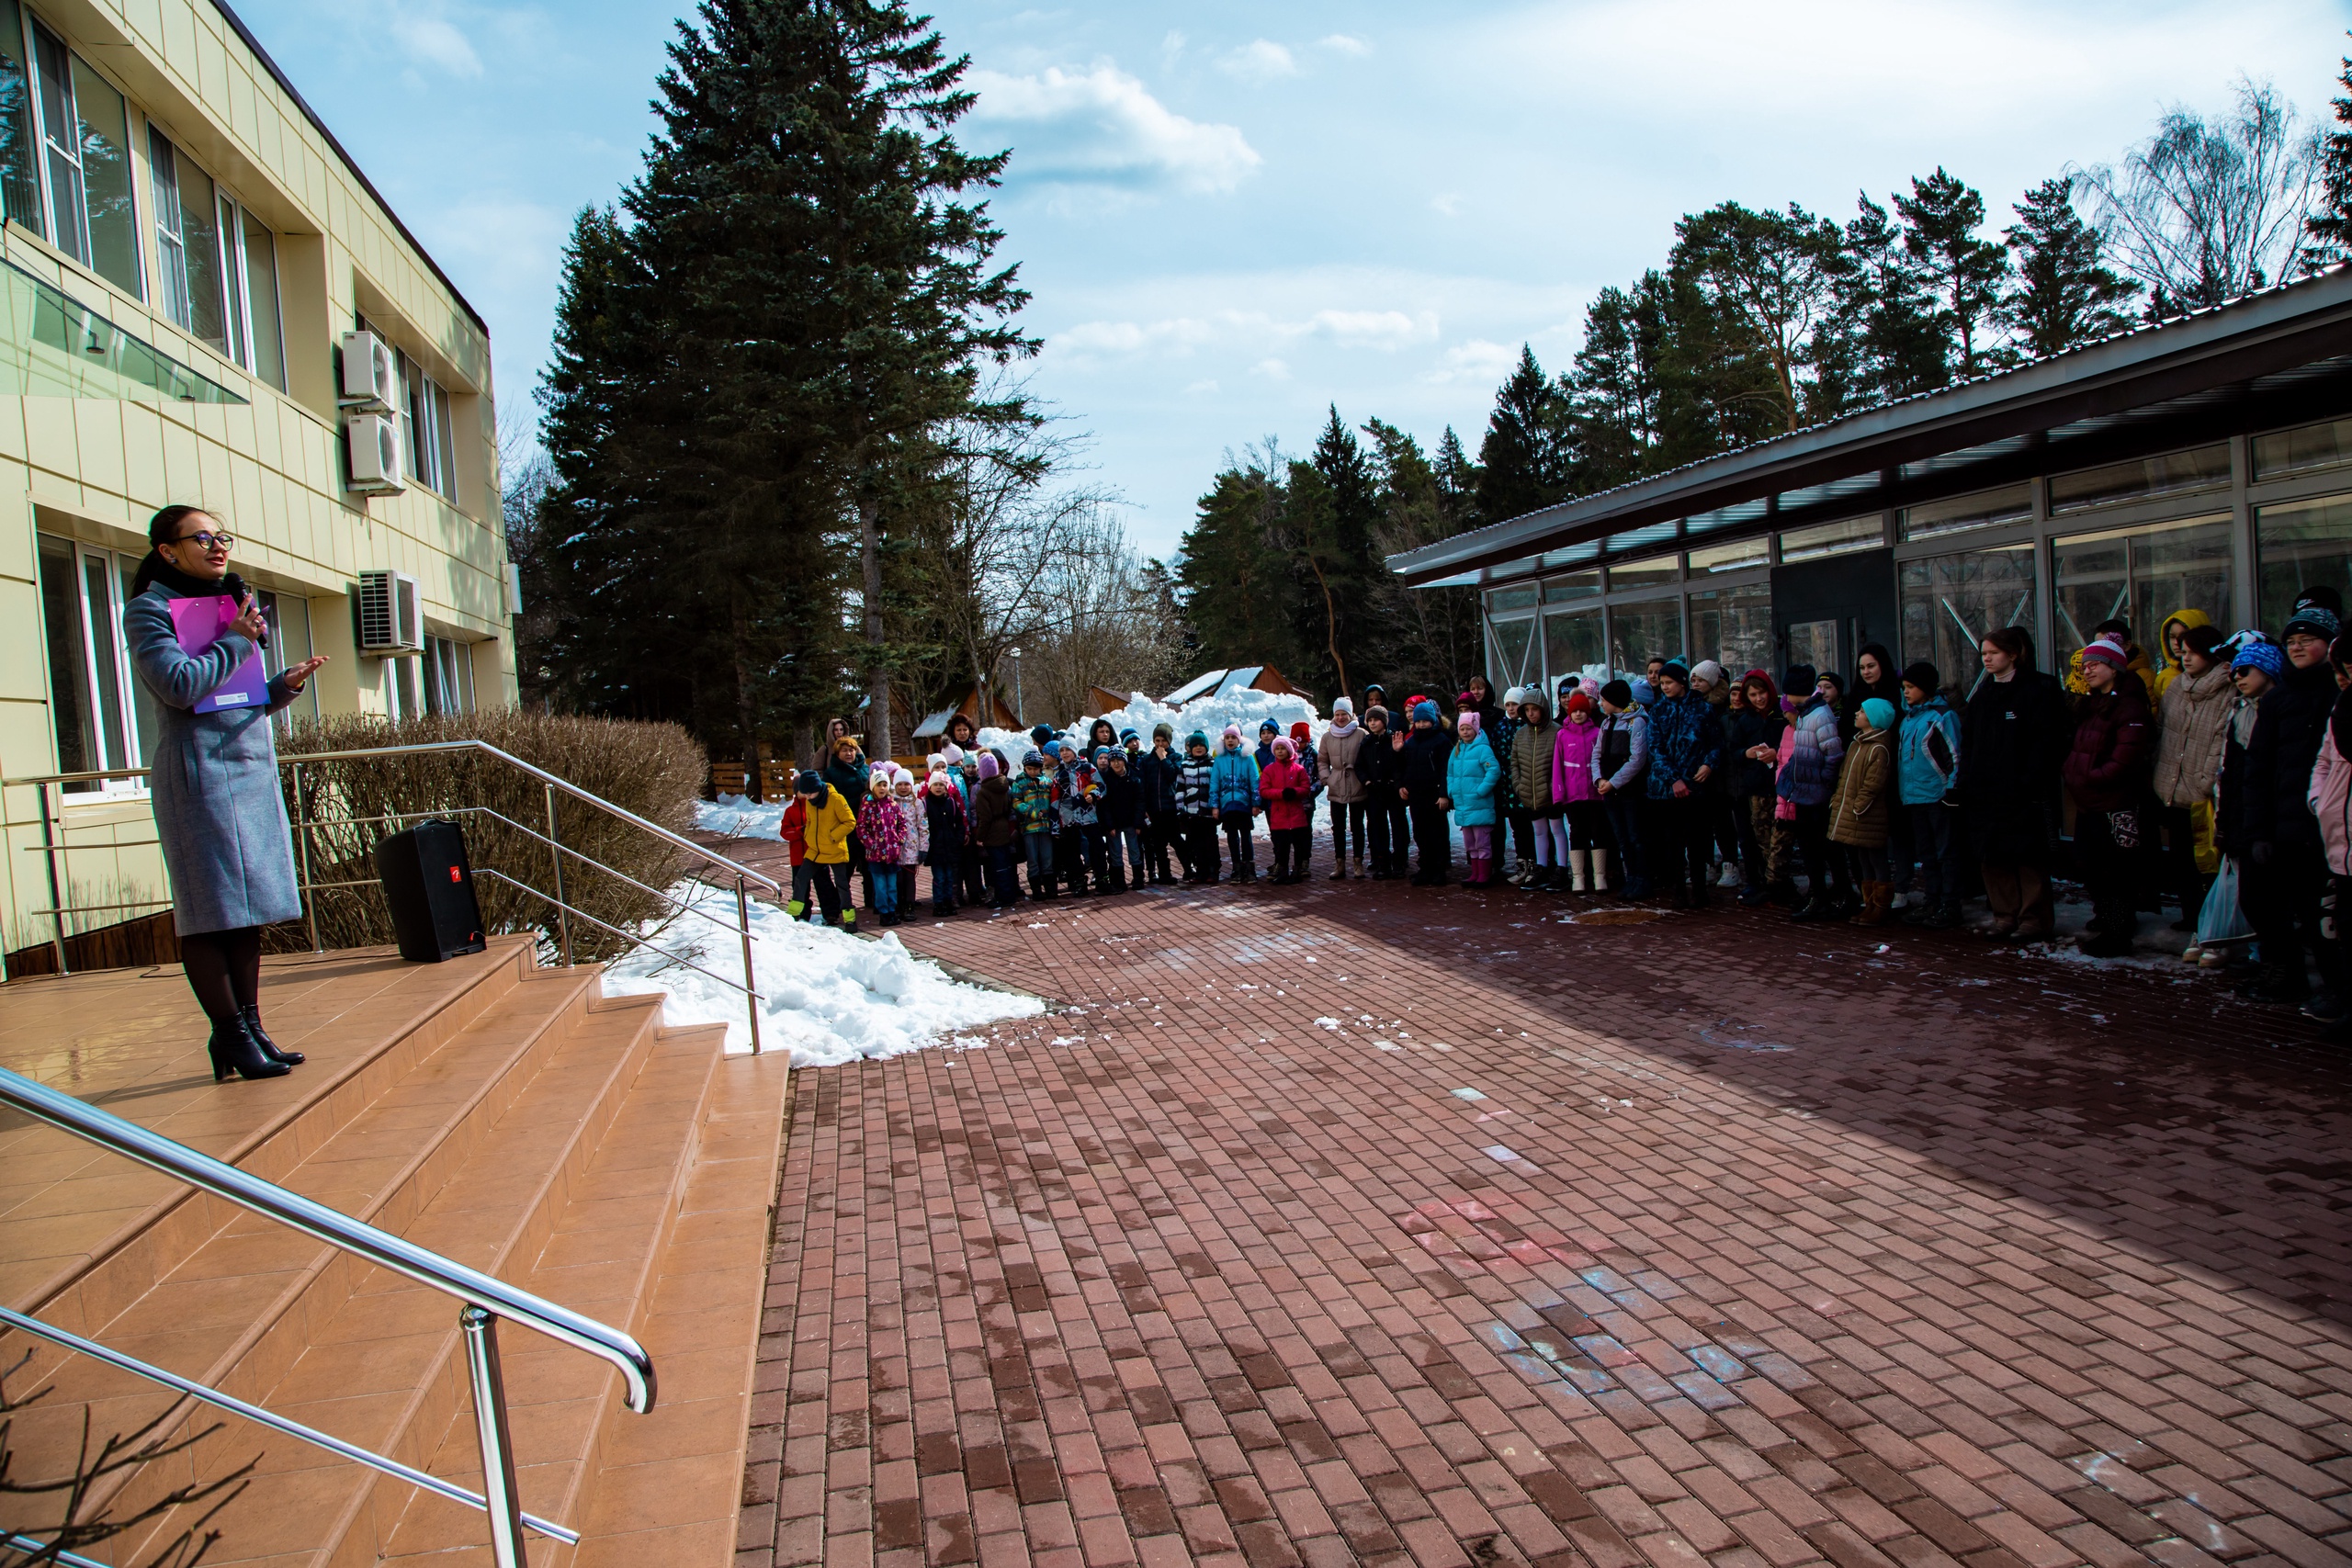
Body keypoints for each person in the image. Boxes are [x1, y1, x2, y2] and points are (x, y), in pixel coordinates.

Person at [125, 506, 328, 1082]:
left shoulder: (226, 606)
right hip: (200, 779)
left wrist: (280, 687)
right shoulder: (148, 611)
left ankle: (251, 1030)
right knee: (210, 914)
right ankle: (232, 1034)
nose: (218, 546)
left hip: (247, 771)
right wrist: (239, 641)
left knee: (246, 914)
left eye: (222, 537)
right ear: (167, 551)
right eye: (202, 537)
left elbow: (230, 697)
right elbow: (180, 686)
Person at [2240, 604, 2342, 1009]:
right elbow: (2258, 767)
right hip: (2279, 825)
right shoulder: (2279, 698)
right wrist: (2257, 831)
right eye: (2291, 642)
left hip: (2326, 826)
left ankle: (2336, 987)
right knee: (2263, 903)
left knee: (2323, 916)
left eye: (2307, 640)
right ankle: (2287, 972)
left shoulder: (2337, 695)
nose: (2297, 648)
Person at [1959, 627, 2068, 941]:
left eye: (1993, 652)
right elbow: (1969, 742)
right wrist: (1966, 780)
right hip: (1985, 792)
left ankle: (2034, 919)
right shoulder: (1983, 695)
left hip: (2023, 792)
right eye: (1983, 653)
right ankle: (2005, 915)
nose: (1987, 659)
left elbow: (2048, 741)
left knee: (2027, 855)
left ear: (2013, 654)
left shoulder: (2038, 689)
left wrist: (2030, 780)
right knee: (1993, 856)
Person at [2064, 637, 2154, 957]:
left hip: (2117, 804)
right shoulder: (2092, 703)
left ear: (2114, 668)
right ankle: (2106, 919)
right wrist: (2073, 774)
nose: (2087, 671)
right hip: (2089, 802)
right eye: (2085, 666)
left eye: (2095, 665)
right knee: (2088, 863)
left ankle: (2118, 931)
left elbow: (2127, 757)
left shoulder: (2129, 706)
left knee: (2117, 870)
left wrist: (2092, 777)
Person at [2150, 623, 2233, 931]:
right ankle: (2190, 915)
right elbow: (2162, 733)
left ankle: (2210, 922)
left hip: (2204, 793)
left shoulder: (2228, 688)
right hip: (2171, 787)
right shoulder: (2176, 686)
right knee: (2181, 858)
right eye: (2183, 652)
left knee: (2207, 861)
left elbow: (2222, 741)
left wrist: (2205, 781)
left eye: (2193, 652)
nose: (2185, 657)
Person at [1645, 662, 1724, 908]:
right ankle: (1678, 891)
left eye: (1669, 682)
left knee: (1697, 841)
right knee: (1673, 844)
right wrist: (1673, 779)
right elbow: (1655, 749)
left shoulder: (1703, 709)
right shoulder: (1658, 711)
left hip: (1696, 787)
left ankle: (1699, 890)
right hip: (1666, 790)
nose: (1665, 687)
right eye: (1662, 683)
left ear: (1681, 683)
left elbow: (1716, 743)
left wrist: (1709, 764)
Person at [1779, 664, 1850, 922]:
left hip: (1817, 795)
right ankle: (1818, 895)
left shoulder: (1819, 715)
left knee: (1826, 848)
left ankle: (1840, 895)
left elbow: (1833, 754)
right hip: (1804, 793)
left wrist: (1823, 782)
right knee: (1810, 850)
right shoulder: (1806, 714)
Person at [1895, 663, 1964, 929]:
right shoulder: (1908, 719)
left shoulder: (1942, 716)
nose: (1906, 692)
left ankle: (1950, 904)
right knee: (1926, 854)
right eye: (1904, 687)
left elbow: (1955, 754)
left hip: (1938, 795)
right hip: (1914, 797)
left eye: (1911, 687)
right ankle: (1932, 900)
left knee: (1946, 852)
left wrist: (1952, 787)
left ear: (1925, 688)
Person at [1829, 697, 1898, 925]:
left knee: (1876, 858)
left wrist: (1859, 805)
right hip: (1856, 812)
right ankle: (1869, 904)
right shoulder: (1856, 744)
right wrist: (1838, 800)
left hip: (1868, 814)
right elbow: (1844, 776)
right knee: (1863, 858)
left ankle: (1881, 906)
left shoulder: (1877, 748)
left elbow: (1873, 783)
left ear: (1874, 718)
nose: (1857, 713)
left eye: (1862, 711)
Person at [1727, 670, 1790, 908]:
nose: (1758, 698)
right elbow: (1734, 751)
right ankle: (1771, 885)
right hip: (1756, 787)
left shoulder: (1782, 716)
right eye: (1753, 695)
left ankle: (1780, 884)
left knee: (1781, 840)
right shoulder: (1746, 720)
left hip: (1782, 786)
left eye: (1761, 693)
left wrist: (1776, 752)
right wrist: (1747, 753)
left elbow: (1793, 744)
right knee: (1763, 840)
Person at [1593, 681, 1651, 899]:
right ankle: (1631, 877)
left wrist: (1614, 782)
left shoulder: (1636, 722)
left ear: (1615, 701)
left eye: (1604, 700)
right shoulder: (1606, 723)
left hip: (1630, 791)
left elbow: (1637, 759)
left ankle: (1642, 879)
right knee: (1622, 838)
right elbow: (1596, 754)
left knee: (1636, 837)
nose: (1601, 704)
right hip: (1609, 791)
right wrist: (1599, 779)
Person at [782, 770, 856, 928]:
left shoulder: (836, 799)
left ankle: (849, 919)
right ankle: (794, 914)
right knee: (801, 878)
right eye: (805, 794)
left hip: (835, 848)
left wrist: (833, 836)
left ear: (817, 788)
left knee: (841, 884)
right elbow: (810, 822)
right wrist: (808, 835)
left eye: (810, 794)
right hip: (815, 850)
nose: (807, 797)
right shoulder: (810, 802)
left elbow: (850, 822)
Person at [1552, 691, 1608, 894]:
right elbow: (1557, 766)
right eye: (1574, 711)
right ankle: (1578, 877)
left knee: (1598, 832)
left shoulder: (1597, 733)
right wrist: (1559, 793)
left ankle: (1599, 875)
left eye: (1582, 711)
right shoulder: (1562, 735)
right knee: (1577, 833)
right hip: (1573, 795)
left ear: (1588, 712)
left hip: (1595, 793)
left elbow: (1602, 761)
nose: (1578, 714)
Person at [1399, 701, 1456, 886]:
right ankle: (1425, 868)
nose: (1422, 725)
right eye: (1418, 721)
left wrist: (1444, 794)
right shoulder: (1410, 742)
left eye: (1425, 721)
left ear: (1433, 721)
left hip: (1435, 796)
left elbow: (1446, 770)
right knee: (1420, 833)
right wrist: (1403, 785)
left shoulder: (1442, 741)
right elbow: (1404, 767)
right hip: (1417, 795)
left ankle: (1439, 870)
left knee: (1437, 834)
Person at [1510, 689, 1561, 891]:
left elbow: (1560, 762)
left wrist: (1553, 787)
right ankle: (1542, 868)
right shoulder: (1521, 734)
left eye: (1535, 709)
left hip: (1552, 794)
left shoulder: (1557, 732)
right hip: (1530, 793)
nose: (1531, 714)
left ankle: (1561, 869)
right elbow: (1514, 762)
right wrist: (1519, 785)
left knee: (1557, 831)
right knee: (1539, 832)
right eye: (1527, 710)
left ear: (1543, 709)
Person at [1445, 710, 1503, 886]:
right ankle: (1475, 873)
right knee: (1470, 843)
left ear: (1476, 729)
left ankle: (1484, 874)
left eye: (1469, 728)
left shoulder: (1483, 749)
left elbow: (1493, 770)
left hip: (1480, 804)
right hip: (1463, 805)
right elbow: (1450, 773)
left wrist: (1481, 790)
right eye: (1462, 729)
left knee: (1482, 842)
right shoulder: (1457, 750)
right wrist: (1451, 790)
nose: (1465, 732)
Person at [823, 733, 876, 917]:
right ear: (837, 753)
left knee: (869, 866)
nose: (848, 754)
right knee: (846, 867)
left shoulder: (865, 769)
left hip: (867, 825)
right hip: (846, 826)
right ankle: (842, 903)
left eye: (851, 750)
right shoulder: (831, 773)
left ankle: (871, 899)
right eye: (844, 750)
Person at [1318, 698, 1370, 880]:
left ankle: (1358, 863)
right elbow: (1322, 760)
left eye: (1344, 714)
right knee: (1338, 827)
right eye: (1337, 714)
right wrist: (1327, 778)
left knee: (1357, 826)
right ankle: (1339, 864)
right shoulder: (1327, 736)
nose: (1340, 718)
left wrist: (1365, 779)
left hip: (1357, 783)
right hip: (1336, 784)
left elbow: (1367, 758)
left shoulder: (1361, 734)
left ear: (1350, 715)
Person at [1359, 707, 1408, 880]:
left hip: (1393, 790)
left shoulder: (1394, 739)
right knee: (1378, 828)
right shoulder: (1366, 743)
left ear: (1384, 722)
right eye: (1370, 720)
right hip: (1375, 790)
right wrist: (1366, 781)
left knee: (1398, 826)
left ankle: (1400, 862)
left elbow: (1402, 764)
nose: (1372, 723)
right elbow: (1360, 765)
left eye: (1376, 720)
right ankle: (1383, 863)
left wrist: (1398, 751)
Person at [857, 766, 910, 927]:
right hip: (876, 855)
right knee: (880, 886)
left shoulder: (892, 804)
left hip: (892, 853)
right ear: (873, 786)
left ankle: (892, 910)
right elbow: (861, 827)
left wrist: (899, 839)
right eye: (879, 785)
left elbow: (902, 823)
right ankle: (884, 912)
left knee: (892, 886)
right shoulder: (867, 805)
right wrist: (870, 843)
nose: (882, 788)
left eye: (885, 785)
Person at [1261, 736, 1314, 883]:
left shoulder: (1299, 769)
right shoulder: (1270, 770)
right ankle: (1282, 870)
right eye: (1277, 749)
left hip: (1297, 814)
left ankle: (1297, 870)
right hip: (1279, 815)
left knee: (1298, 845)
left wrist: (1295, 792)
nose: (1280, 751)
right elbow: (1264, 790)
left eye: (1283, 748)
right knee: (1281, 846)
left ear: (1289, 751)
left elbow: (1306, 788)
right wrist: (1281, 793)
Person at [1136, 723, 1185, 885]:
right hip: (1154, 809)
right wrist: (1144, 807)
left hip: (1170, 807)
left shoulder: (1176, 757)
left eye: (1163, 741)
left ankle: (1189, 868)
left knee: (1177, 840)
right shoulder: (1146, 760)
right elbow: (1142, 785)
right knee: (1158, 844)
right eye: (1157, 740)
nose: (1160, 744)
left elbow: (1173, 776)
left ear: (1169, 741)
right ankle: (1165, 874)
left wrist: (1164, 759)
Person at [1213, 725, 1262, 882]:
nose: (1230, 740)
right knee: (1232, 836)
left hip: (1244, 804)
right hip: (1227, 804)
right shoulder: (1219, 760)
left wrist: (1256, 803)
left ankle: (1249, 867)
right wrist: (1215, 805)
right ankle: (1237, 867)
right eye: (1227, 738)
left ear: (1239, 739)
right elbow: (1215, 783)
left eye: (1233, 737)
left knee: (1246, 835)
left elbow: (1254, 781)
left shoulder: (1247, 757)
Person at [969, 752, 1018, 909]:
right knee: (1007, 864)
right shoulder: (1005, 786)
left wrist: (980, 836)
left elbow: (985, 818)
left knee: (998, 867)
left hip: (992, 833)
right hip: (1005, 828)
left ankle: (1004, 897)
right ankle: (1010, 893)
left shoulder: (983, 792)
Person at [1055, 741, 1104, 895]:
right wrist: (1056, 823)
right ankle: (1079, 882)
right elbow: (1055, 800)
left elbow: (1102, 786)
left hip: (1088, 816)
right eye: (1062, 750)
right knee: (1071, 852)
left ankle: (1102, 879)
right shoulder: (1059, 774)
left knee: (1097, 848)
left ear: (1074, 751)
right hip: (1068, 819)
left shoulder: (1087, 768)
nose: (1065, 753)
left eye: (1068, 749)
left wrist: (1094, 795)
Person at [1011, 750, 1058, 899]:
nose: (1032, 772)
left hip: (1045, 827)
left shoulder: (1047, 782)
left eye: (1035, 769)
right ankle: (1036, 890)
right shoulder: (1019, 783)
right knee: (1032, 859)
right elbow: (1016, 802)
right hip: (1029, 827)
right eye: (1029, 768)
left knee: (1047, 858)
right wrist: (1031, 811)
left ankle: (1050, 888)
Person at [1097, 746, 1145, 893]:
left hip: (1131, 822)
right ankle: (1119, 881)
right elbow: (1104, 805)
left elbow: (1140, 801)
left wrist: (1138, 822)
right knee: (1115, 853)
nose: (1116, 763)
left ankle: (1138, 878)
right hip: (1114, 823)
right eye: (1113, 761)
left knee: (1134, 851)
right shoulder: (1106, 779)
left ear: (1125, 760)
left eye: (1119, 760)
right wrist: (1109, 825)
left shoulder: (1134, 776)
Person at [1176, 730, 1221, 882]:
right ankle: (1201, 871)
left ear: (1207, 747)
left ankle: (1213, 871)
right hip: (1192, 813)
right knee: (1197, 844)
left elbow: (1217, 787)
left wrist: (1216, 807)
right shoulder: (1185, 765)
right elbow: (1180, 788)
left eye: (1202, 745)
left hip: (1208, 812)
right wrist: (1181, 809)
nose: (1199, 748)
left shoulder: (1213, 764)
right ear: (1191, 748)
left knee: (1211, 843)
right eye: (1195, 746)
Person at [889, 768, 928, 920]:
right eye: (900, 784)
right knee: (898, 879)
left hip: (912, 847)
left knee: (909, 878)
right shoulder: (891, 803)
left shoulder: (917, 803)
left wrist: (923, 847)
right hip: (895, 848)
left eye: (906, 784)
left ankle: (910, 905)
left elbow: (923, 826)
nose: (903, 787)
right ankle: (899, 905)